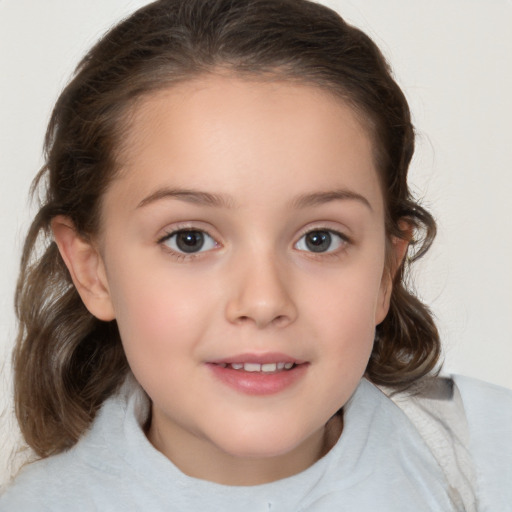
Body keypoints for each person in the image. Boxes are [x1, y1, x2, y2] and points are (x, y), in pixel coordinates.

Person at [0, 0, 511, 510]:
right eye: (190, 239)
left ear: (385, 271)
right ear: (93, 270)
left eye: (319, 239)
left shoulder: (490, 461)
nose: (264, 302)